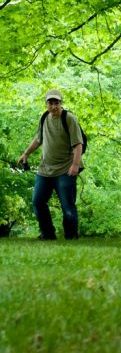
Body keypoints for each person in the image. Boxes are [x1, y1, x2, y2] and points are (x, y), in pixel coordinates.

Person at [17, 89, 84, 240]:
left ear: (61, 103)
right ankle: (48, 234)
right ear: (46, 104)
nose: (53, 106)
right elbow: (39, 139)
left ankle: (71, 235)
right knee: (38, 202)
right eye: (50, 103)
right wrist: (26, 153)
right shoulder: (44, 117)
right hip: (45, 169)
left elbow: (78, 144)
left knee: (67, 207)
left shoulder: (69, 119)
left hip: (65, 169)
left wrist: (75, 165)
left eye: (56, 103)